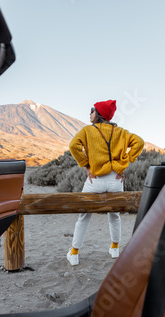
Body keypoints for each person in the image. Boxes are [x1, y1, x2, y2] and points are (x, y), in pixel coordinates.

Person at [67, 99, 144, 266]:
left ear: (99, 114)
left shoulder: (87, 131)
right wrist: (126, 162)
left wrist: (86, 166)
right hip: (115, 180)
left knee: (84, 216)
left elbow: (73, 145)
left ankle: (74, 254)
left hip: (95, 180)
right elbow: (139, 142)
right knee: (114, 215)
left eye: (92, 111)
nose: (90, 114)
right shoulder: (121, 132)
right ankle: (115, 249)